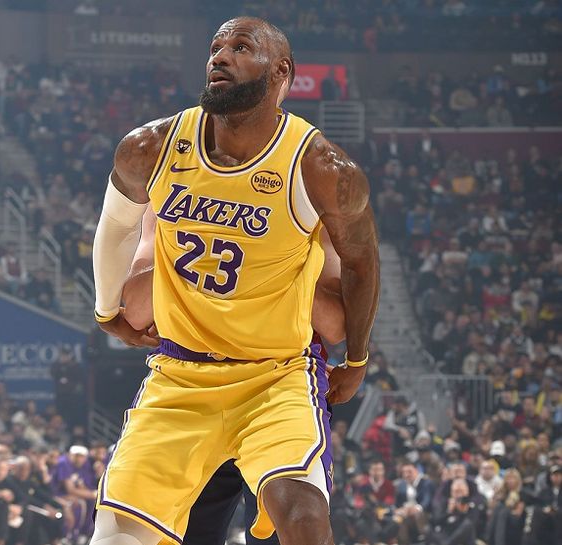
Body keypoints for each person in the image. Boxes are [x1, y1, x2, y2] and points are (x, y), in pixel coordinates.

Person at [90, 16, 379, 545]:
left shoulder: (320, 168)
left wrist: (357, 360)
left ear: (281, 72)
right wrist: (105, 309)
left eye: (241, 47)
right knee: (114, 535)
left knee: (304, 517)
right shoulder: (151, 147)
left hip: (276, 375)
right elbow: (115, 226)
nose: (220, 57)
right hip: (181, 375)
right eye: (216, 47)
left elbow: (362, 264)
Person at [120, 199, 347, 545]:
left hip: (278, 385)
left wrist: (272, 262)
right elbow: (136, 312)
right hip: (191, 387)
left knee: (294, 526)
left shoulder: (309, 198)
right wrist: (191, 248)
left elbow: (335, 326)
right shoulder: (171, 194)